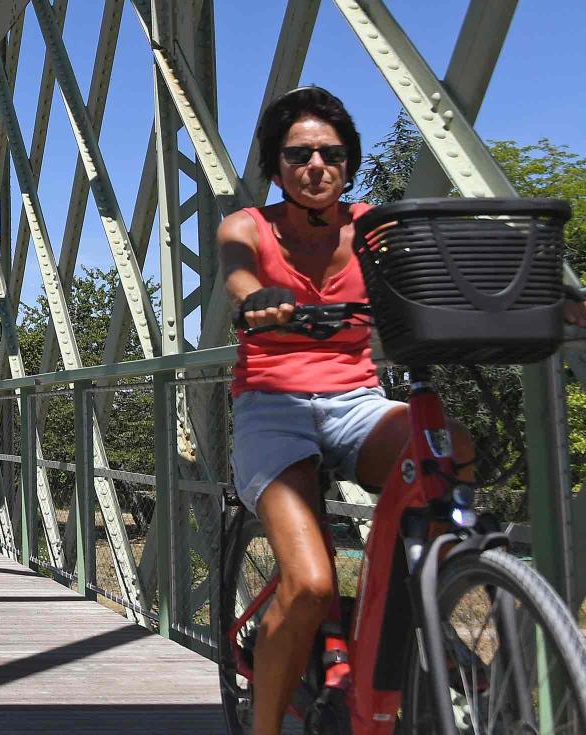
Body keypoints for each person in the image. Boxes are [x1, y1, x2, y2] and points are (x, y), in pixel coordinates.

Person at [219, 87, 475, 734]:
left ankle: (406, 607)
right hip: (271, 406)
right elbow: (239, 273)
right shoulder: (248, 224)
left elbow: (445, 270)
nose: (315, 165)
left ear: (348, 162)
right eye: (298, 153)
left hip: (356, 401)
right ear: (276, 167)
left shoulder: (372, 227)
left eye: (331, 154)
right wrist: (259, 296)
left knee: (454, 447)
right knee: (306, 584)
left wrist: (554, 301)